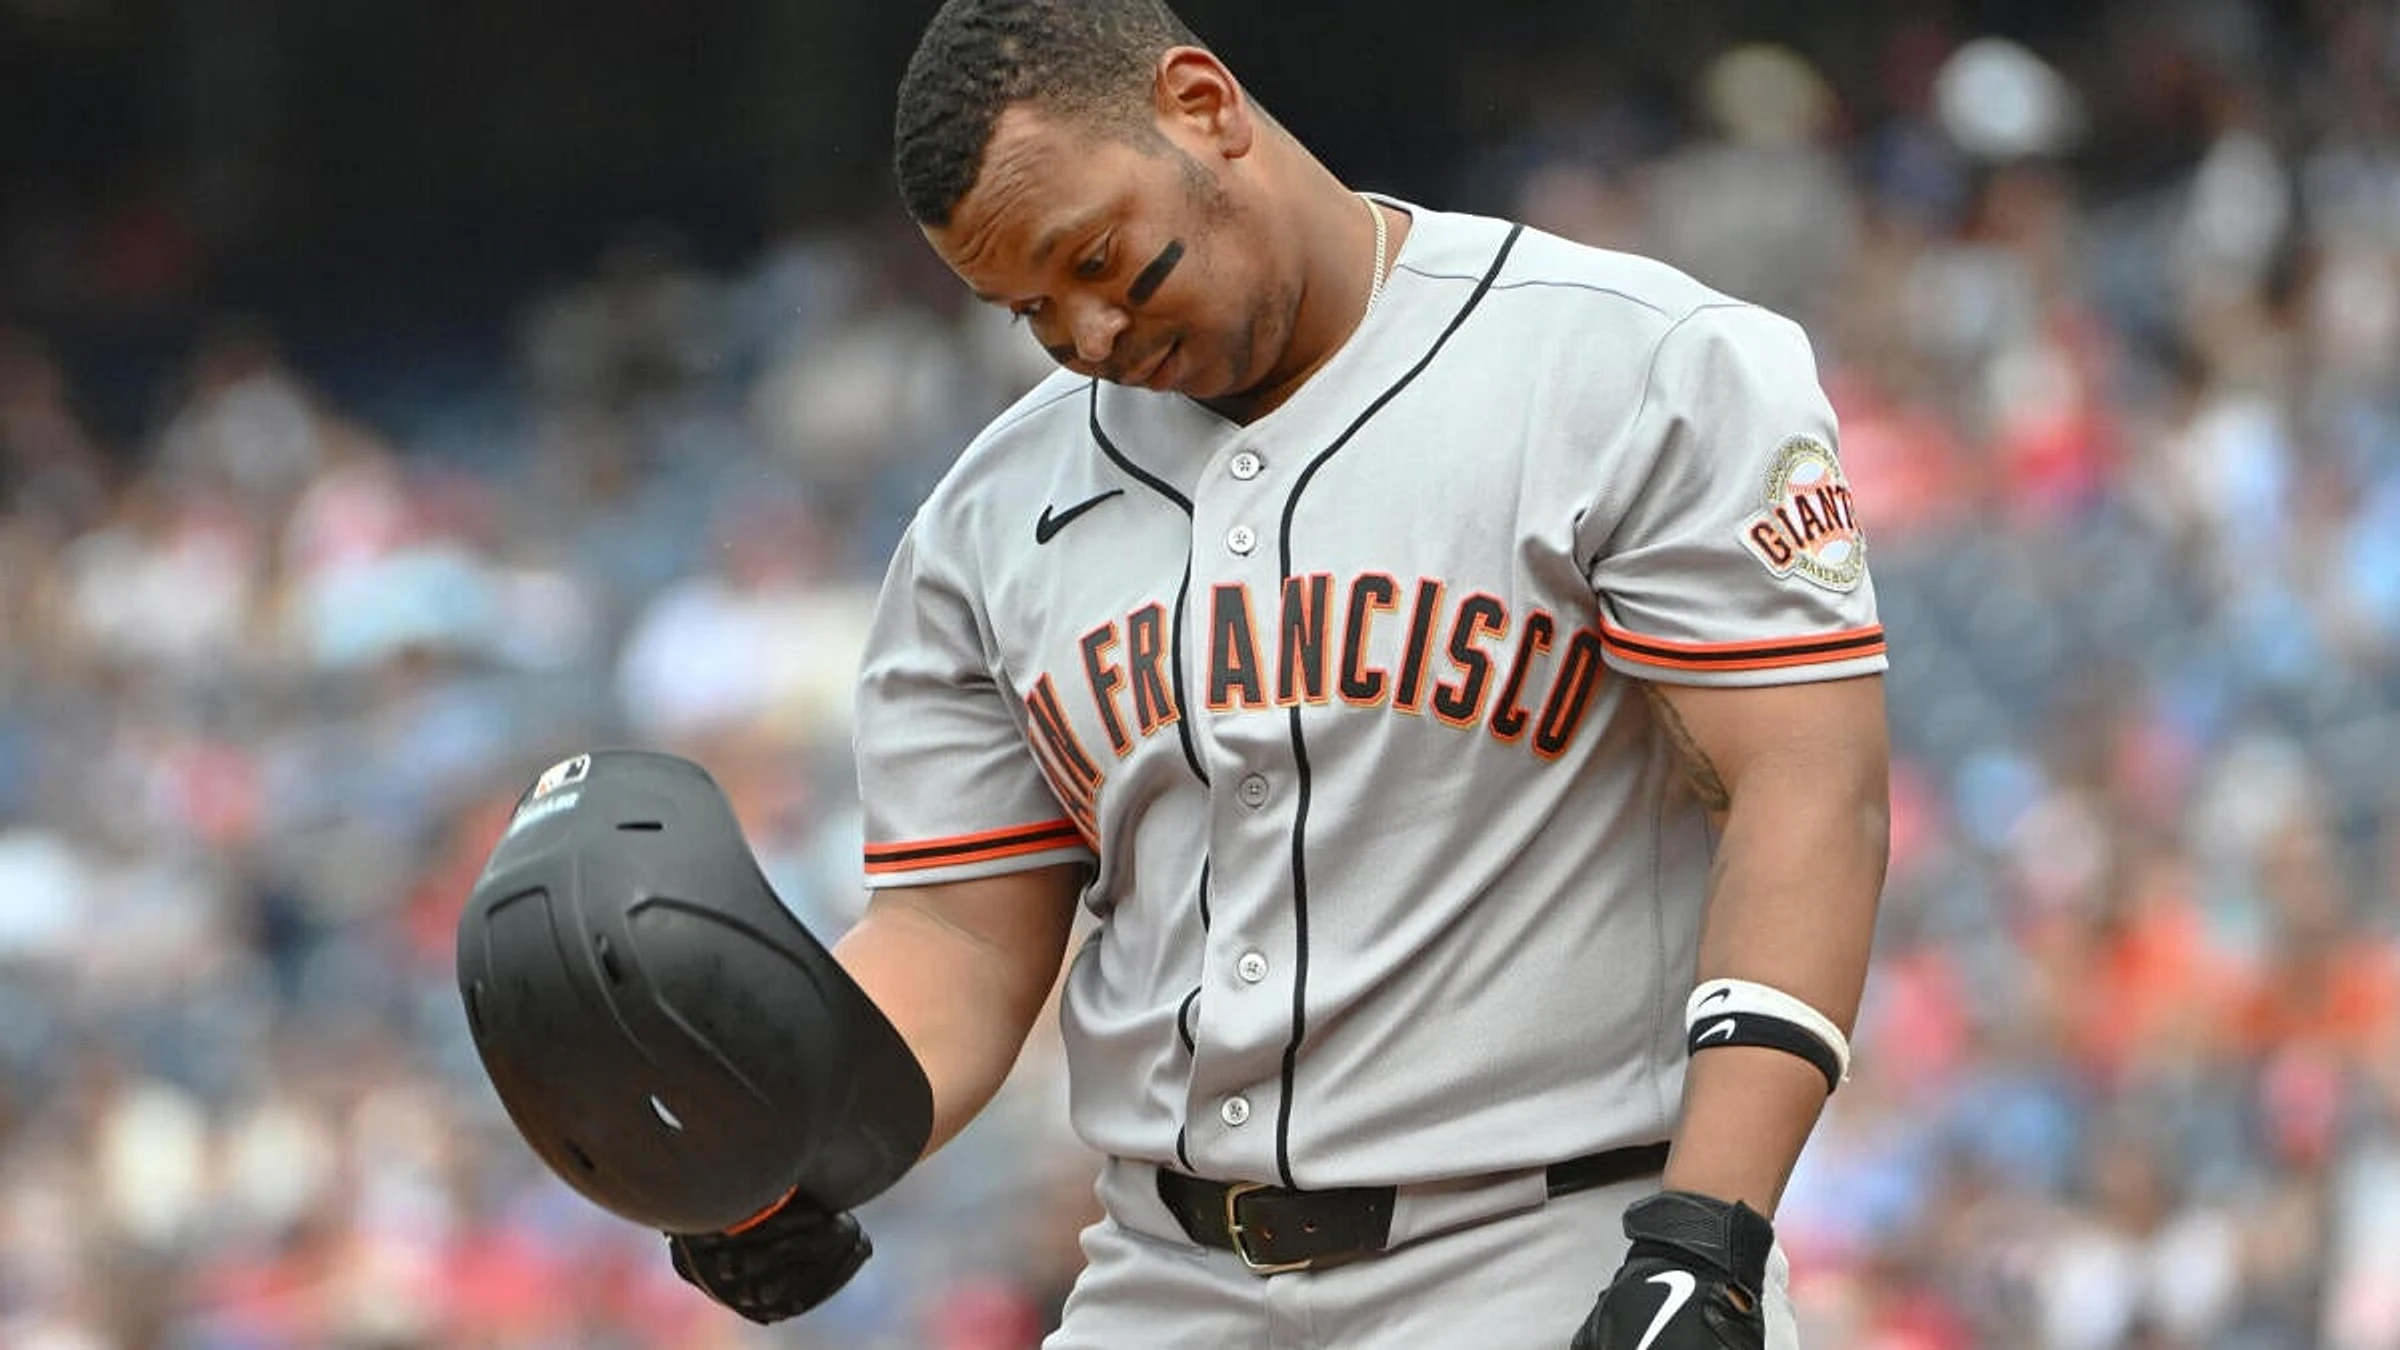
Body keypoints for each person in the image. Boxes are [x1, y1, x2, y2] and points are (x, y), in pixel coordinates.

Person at [671, 2, 1891, 1345]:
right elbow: (957, 934)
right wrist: (795, 1132)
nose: (1088, 333)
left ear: (1202, 106)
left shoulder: (1630, 364)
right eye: (1030, 308)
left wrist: (1712, 1232)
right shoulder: (987, 516)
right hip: (1166, 1276)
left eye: (1097, 258)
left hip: (1549, 1246)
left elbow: (1804, 786)